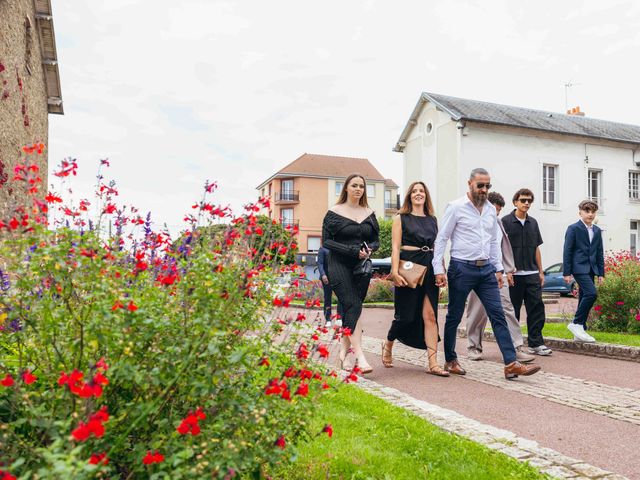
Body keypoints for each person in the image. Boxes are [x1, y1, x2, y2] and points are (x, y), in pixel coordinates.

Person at [432, 168, 541, 380]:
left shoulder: (491, 209)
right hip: (461, 268)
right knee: (454, 316)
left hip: (487, 271)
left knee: (498, 315)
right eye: (480, 185)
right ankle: (451, 359)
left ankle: (511, 363)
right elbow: (442, 239)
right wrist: (438, 269)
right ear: (469, 184)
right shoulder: (455, 207)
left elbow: (493, 242)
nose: (483, 189)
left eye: (487, 186)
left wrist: (498, 268)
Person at [382, 181, 449, 377]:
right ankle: (388, 344)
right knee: (406, 315)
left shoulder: (432, 219)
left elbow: (438, 248)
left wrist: (441, 270)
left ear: (426, 195)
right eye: (414, 191)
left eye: (421, 191)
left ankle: (433, 363)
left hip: (429, 266)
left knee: (430, 315)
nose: (418, 194)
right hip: (409, 267)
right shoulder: (400, 218)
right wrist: (394, 272)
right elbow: (395, 247)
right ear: (409, 196)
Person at [466, 192, 534, 363]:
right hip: (477, 272)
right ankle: (474, 347)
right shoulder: (475, 222)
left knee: (507, 309)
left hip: (498, 274)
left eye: (498, 212)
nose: (495, 214)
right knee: (477, 312)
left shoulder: (498, 223)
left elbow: (502, 248)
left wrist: (508, 270)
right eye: (494, 210)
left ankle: (516, 347)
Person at [322, 173, 380, 373]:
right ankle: (361, 357)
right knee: (352, 304)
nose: (358, 189)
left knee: (352, 309)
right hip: (338, 264)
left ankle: (344, 353)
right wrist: (351, 251)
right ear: (346, 188)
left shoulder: (369, 213)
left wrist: (369, 249)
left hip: (360, 267)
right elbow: (326, 241)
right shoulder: (334, 212)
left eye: (361, 186)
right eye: (354, 185)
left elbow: (376, 240)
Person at [502, 189, 552, 356]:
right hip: (513, 275)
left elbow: (536, 248)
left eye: (529, 201)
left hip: (531, 274)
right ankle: (514, 346)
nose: (526, 203)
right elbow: (501, 249)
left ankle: (536, 343)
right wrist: (505, 270)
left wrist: (541, 271)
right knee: (512, 312)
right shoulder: (505, 222)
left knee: (537, 308)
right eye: (523, 200)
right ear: (515, 202)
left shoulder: (533, 223)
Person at [562, 200, 605, 342]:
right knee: (592, 293)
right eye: (587, 211)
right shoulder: (573, 228)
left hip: (592, 268)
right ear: (580, 211)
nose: (590, 214)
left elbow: (599, 252)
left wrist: (601, 273)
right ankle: (576, 323)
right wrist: (566, 272)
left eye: (593, 211)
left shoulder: (597, 230)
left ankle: (580, 332)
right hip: (578, 267)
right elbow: (567, 251)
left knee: (583, 297)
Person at [316, 245, 343, 328]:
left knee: (341, 297)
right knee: (327, 298)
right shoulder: (322, 249)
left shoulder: (337, 247)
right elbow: (320, 263)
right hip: (326, 278)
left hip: (337, 277)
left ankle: (339, 318)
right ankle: (328, 319)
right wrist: (323, 275)